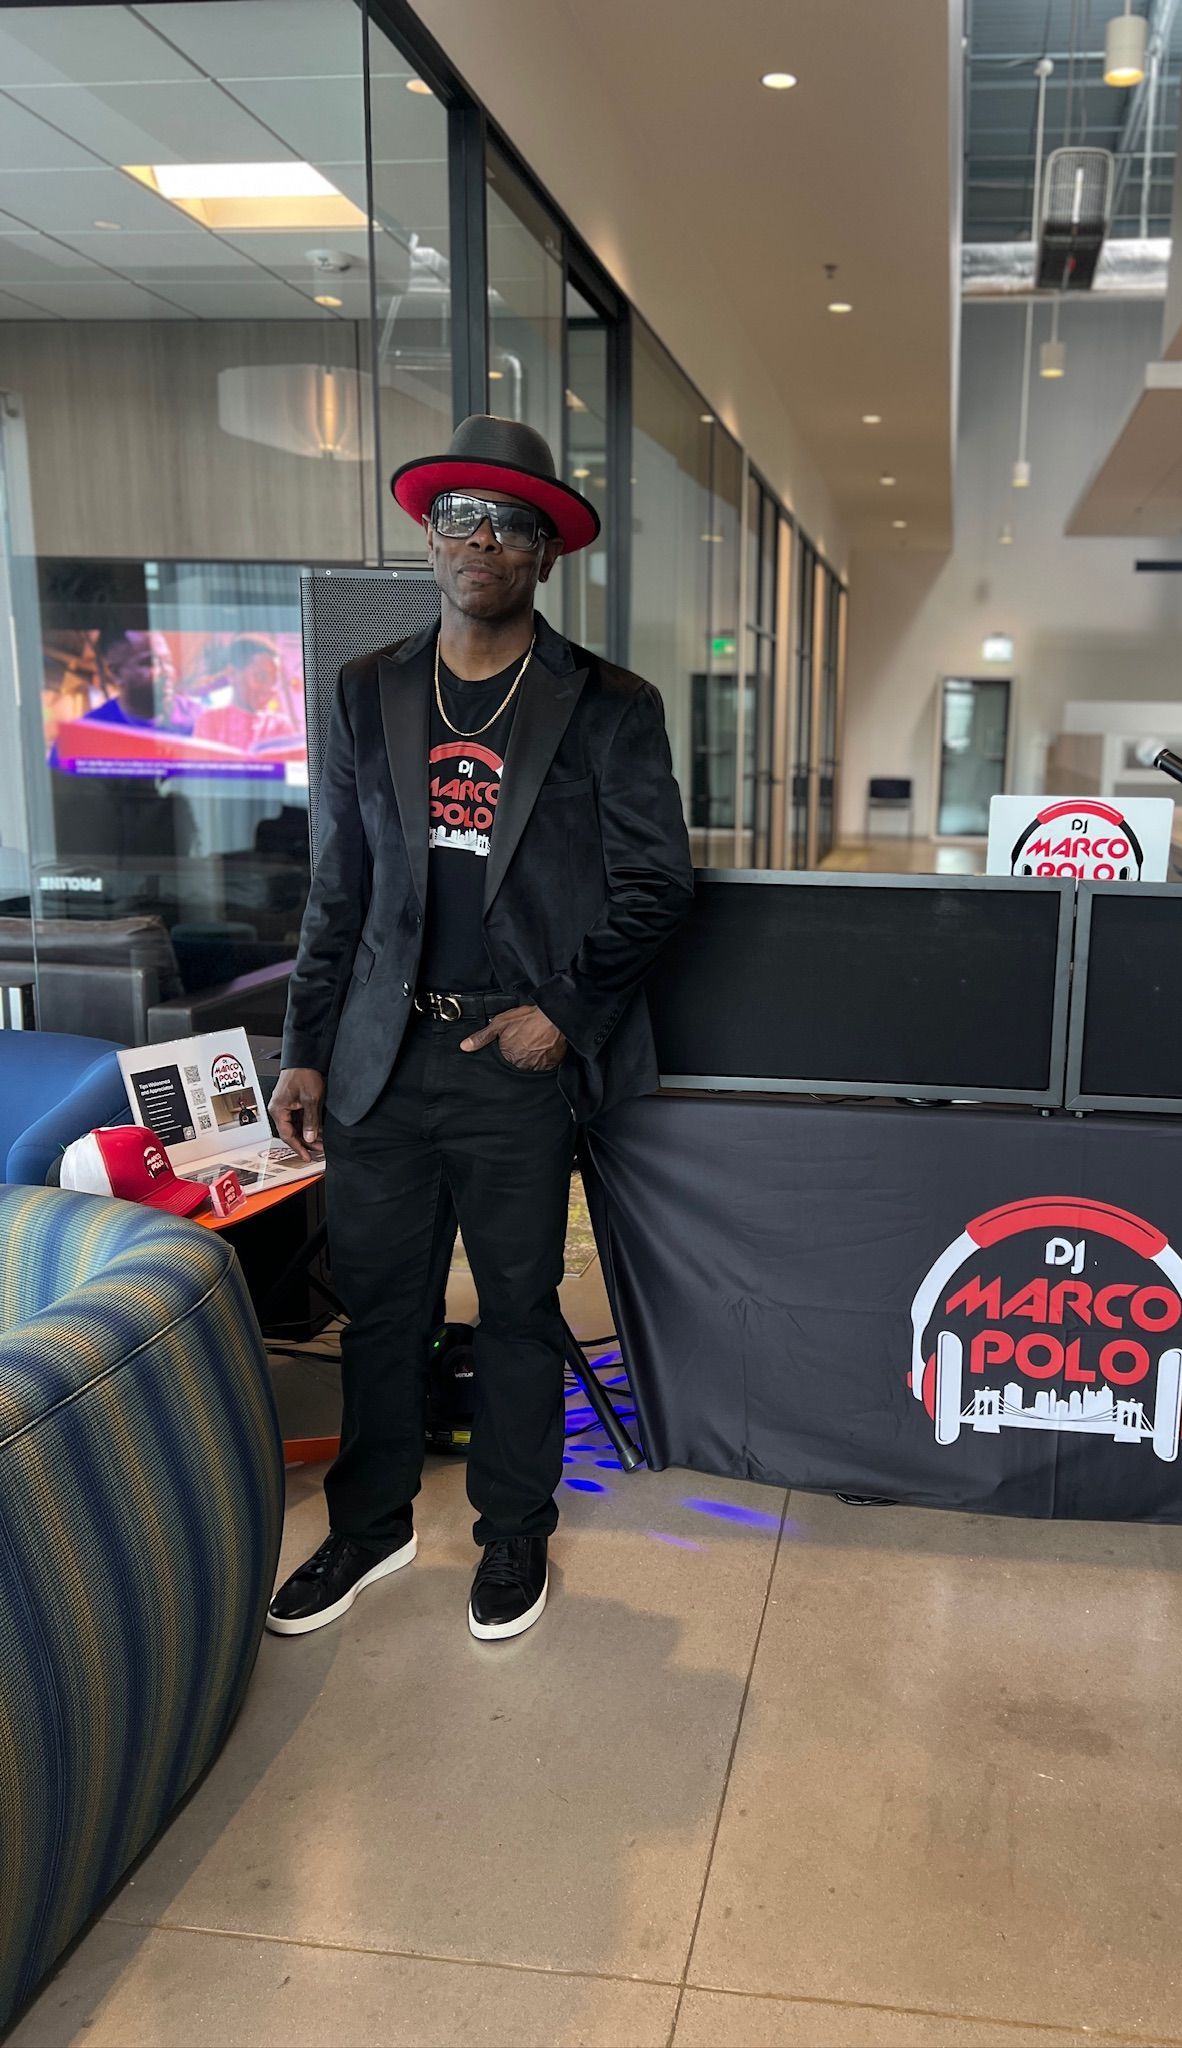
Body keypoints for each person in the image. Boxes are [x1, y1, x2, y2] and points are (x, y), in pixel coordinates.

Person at [265, 415, 693, 1643]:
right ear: (429, 533)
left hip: (512, 1058)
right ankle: (371, 1524)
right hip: (379, 1056)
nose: (483, 540)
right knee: (380, 1308)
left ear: (545, 552)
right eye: (463, 516)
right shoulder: (369, 688)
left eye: (513, 523)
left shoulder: (608, 704)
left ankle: (514, 1526)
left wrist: (561, 1011)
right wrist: (302, 1048)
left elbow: (657, 883)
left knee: (517, 1305)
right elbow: (337, 887)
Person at [192, 635, 299, 752]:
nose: (269, 689)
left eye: (274, 681)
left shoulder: (280, 726)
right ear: (232, 674)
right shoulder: (210, 722)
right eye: (261, 677)